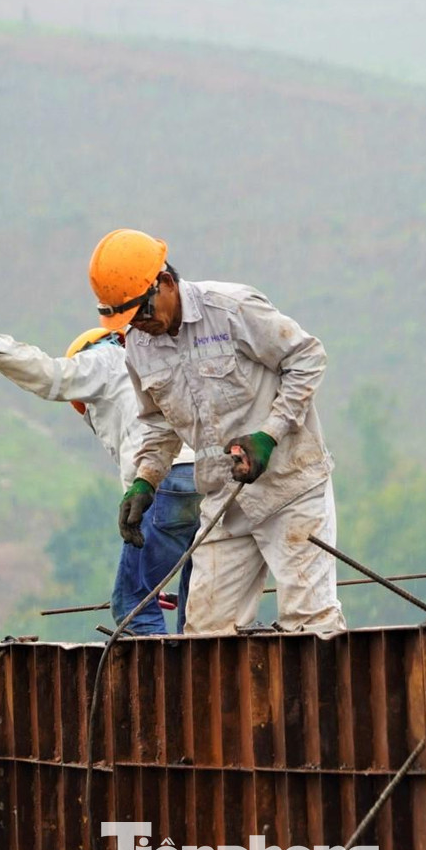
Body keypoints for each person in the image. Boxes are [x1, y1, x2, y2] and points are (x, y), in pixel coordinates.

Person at [88, 228, 347, 635]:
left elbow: (307, 357)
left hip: (291, 489)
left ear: (167, 284)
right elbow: (158, 425)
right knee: (208, 635)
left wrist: (269, 434)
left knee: (311, 627)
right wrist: (145, 482)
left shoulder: (230, 309)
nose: (139, 324)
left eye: (142, 312)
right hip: (225, 503)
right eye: (128, 318)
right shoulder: (139, 347)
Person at [0, 305, 201, 634]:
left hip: (165, 481)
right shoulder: (158, 360)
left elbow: (48, 375)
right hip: (209, 480)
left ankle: (162, 684)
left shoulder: (102, 359)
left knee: (133, 602)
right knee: (199, 604)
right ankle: (202, 679)